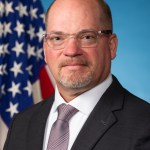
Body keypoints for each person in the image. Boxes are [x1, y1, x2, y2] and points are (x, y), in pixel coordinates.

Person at [4, 0, 150, 150]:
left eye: (87, 37)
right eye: (57, 38)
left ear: (111, 46)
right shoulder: (21, 123)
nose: (72, 51)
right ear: (45, 49)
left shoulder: (145, 125)